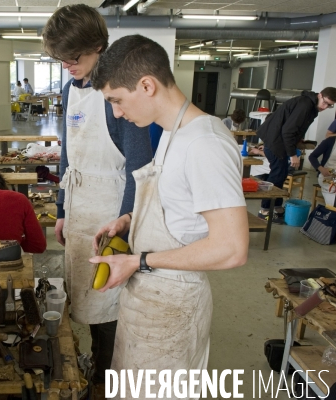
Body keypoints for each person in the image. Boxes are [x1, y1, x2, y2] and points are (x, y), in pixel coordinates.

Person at [90, 34, 248, 399]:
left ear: (146, 85)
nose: (116, 112)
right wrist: (128, 220)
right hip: (149, 296)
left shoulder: (205, 143)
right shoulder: (171, 133)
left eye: (116, 100)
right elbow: (177, 207)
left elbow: (231, 249)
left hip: (174, 304)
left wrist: (140, 260)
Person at [42, 6, 153, 396]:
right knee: (83, 301)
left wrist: (125, 222)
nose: (68, 65)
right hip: (79, 207)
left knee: (108, 303)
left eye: (76, 58)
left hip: (109, 210)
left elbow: (139, 170)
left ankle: (106, 379)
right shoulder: (70, 87)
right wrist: (61, 211)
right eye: (61, 58)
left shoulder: (116, 94)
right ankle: (97, 365)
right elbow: (68, 153)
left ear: (99, 47)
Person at [255, 86, 336, 222]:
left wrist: (299, 140)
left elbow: (293, 128)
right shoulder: (305, 105)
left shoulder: (311, 106)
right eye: (325, 102)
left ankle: (276, 208)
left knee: (280, 174)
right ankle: (265, 210)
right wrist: (292, 154)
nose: (325, 107)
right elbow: (288, 131)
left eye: (329, 105)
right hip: (276, 141)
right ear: (320, 95)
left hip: (277, 139)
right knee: (277, 175)